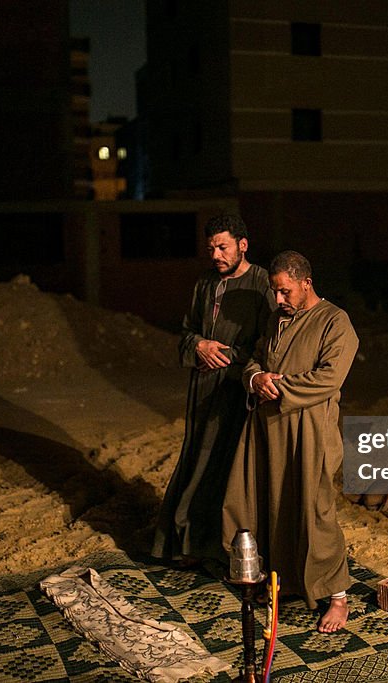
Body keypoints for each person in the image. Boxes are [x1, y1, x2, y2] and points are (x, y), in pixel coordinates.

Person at [222, 250, 360, 633]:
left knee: (314, 509)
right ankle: (285, 581)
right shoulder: (275, 318)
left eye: (285, 292)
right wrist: (255, 378)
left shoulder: (336, 322)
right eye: (275, 292)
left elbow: (329, 378)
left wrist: (278, 385)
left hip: (310, 430)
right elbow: (254, 357)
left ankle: (337, 596)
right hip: (268, 426)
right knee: (270, 503)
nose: (279, 300)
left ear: (306, 284)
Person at [152, 214, 276, 565]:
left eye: (223, 247)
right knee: (196, 458)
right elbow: (187, 331)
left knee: (227, 467)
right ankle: (185, 542)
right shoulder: (205, 283)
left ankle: (221, 548)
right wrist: (199, 346)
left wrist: (227, 356)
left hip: (238, 389)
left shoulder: (262, 284)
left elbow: (268, 343)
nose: (216, 255)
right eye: (211, 249)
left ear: (243, 245)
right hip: (203, 385)